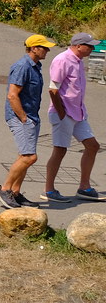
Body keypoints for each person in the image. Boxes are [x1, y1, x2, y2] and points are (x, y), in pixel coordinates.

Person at [42, 32, 103, 202]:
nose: (92, 48)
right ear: (78, 46)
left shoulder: (78, 61)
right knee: (60, 150)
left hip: (78, 113)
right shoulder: (63, 60)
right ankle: (49, 190)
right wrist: (61, 112)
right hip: (64, 113)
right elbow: (53, 89)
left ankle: (84, 187)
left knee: (92, 146)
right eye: (89, 45)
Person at [0, 34, 55, 209]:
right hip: (21, 117)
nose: (47, 50)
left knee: (24, 156)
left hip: (30, 117)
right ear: (34, 48)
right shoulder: (23, 66)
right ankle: (4, 189)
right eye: (44, 47)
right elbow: (12, 95)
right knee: (30, 157)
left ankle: (15, 192)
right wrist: (23, 118)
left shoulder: (35, 66)